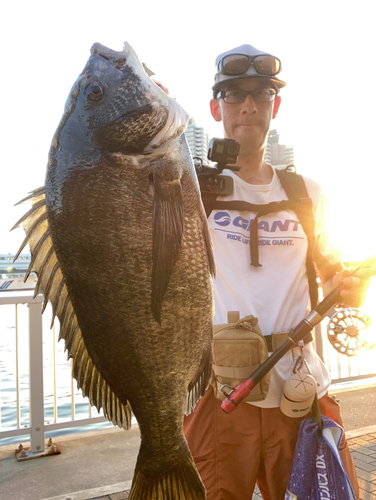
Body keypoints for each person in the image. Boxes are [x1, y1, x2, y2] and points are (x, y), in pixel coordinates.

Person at [184, 43, 375, 500]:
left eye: (261, 93)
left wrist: (352, 284)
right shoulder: (190, 191)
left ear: (276, 105)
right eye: (234, 94)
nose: (248, 104)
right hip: (218, 396)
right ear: (216, 107)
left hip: (299, 392)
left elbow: (335, 280)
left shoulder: (308, 193)